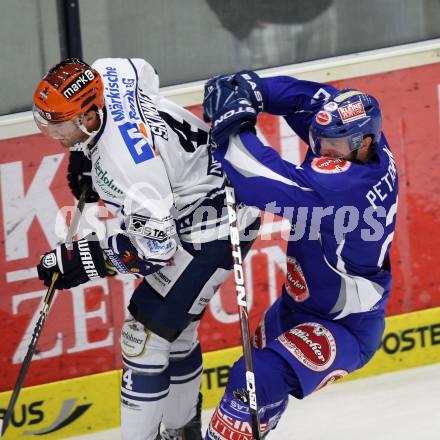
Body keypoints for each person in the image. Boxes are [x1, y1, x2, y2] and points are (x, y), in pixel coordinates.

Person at [32, 58, 260, 440]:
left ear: (89, 117)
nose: (51, 132)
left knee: (144, 336)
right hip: (213, 193)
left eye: (59, 125)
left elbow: (156, 249)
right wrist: (87, 151)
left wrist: (82, 260)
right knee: (176, 332)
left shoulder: (126, 166)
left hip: (215, 223)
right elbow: (145, 72)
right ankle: (182, 433)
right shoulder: (109, 72)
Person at [202, 71, 398, 438]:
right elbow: (307, 99)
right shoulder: (364, 144)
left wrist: (234, 124)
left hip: (344, 326)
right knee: (253, 376)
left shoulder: (344, 187)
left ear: (364, 141)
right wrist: (253, 91)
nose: (321, 150)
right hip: (297, 307)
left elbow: (254, 177)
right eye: (319, 141)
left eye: (332, 146)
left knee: (256, 377)